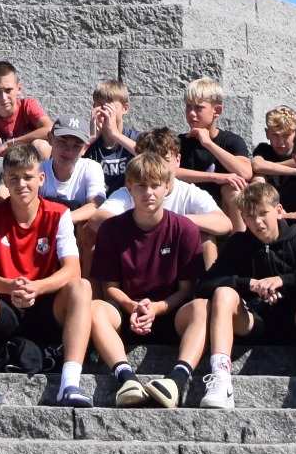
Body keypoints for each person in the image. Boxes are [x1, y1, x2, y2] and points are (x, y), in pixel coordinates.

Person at [177, 178, 296, 410]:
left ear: (279, 210)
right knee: (222, 293)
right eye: (249, 216)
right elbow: (206, 285)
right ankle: (220, 377)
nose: (257, 222)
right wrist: (249, 284)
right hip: (251, 321)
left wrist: (283, 281)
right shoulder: (238, 243)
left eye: (263, 213)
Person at [0, 141, 94, 409]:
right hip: (5, 306)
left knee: (81, 286)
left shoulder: (60, 214)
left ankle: (70, 383)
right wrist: (10, 286)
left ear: (41, 178)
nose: (21, 184)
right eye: (14, 178)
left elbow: (72, 269)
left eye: (28, 177)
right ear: (5, 183)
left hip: (45, 305)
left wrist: (37, 287)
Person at [87, 149, 212, 409]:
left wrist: (156, 308)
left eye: (156, 185)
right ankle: (125, 378)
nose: (149, 193)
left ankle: (177, 380)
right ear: (129, 187)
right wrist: (134, 306)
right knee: (95, 307)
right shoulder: (111, 229)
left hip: (171, 313)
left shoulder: (185, 229)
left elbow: (186, 289)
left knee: (202, 306)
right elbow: (110, 288)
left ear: (167, 187)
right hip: (126, 312)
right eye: (141, 186)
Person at [98, 126, 230, 237]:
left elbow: (224, 223)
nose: (157, 167)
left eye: (164, 160)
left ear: (177, 160)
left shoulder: (188, 192)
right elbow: (97, 219)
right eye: (151, 160)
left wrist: (174, 221)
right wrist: (142, 224)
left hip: (175, 258)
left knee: (205, 237)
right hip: (139, 254)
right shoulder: (130, 192)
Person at [177, 79, 254, 220]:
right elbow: (168, 171)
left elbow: (246, 172)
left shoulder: (231, 141)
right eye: (188, 107)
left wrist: (209, 144)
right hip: (192, 212)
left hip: (224, 211)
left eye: (198, 108)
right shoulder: (179, 142)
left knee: (234, 189)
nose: (191, 113)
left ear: (216, 111)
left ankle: (238, 240)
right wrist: (217, 177)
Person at [0, 61, 51, 149]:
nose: (3, 97)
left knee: (41, 146)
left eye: (8, 90)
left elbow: (50, 129)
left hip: (31, 160)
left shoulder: (27, 106)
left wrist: (12, 143)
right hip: (4, 162)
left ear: (18, 89)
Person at [85, 81, 136, 196]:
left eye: (110, 106)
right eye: (99, 105)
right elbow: (64, 160)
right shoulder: (87, 141)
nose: (104, 111)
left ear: (125, 108)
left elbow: (153, 158)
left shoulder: (134, 138)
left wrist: (115, 134)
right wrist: (90, 138)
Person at [251, 107, 296, 176]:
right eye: (275, 135)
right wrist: (295, 171)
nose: (280, 141)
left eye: (286, 135)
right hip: (269, 186)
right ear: (267, 133)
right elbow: (257, 165)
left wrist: (267, 167)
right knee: (258, 177)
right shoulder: (264, 149)